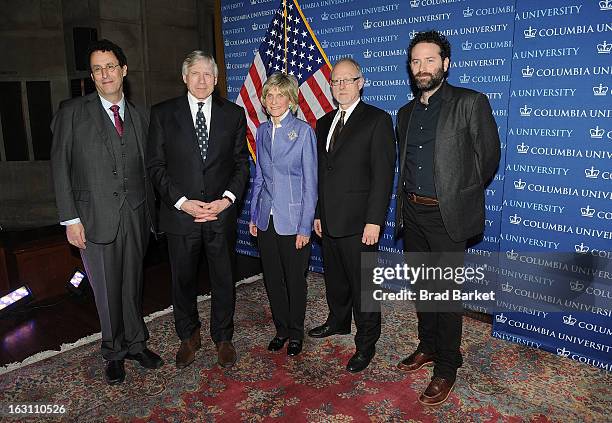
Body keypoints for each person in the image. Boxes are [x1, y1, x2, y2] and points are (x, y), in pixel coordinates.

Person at [394, 30, 501, 406]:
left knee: (446, 294)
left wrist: (457, 194)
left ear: (446, 63)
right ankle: (426, 346)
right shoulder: (405, 113)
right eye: (416, 61)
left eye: (429, 60)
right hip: (413, 213)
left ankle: (447, 366)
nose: (422, 68)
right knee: (423, 289)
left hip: (447, 215)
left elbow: (488, 159)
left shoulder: (470, 102)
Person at [50, 39, 163, 385]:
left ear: (124, 70)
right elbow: (59, 167)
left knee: (132, 283)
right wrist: (70, 219)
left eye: (111, 66)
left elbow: (151, 168)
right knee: (105, 290)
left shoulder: (143, 116)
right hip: (93, 217)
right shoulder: (72, 112)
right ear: (92, 75)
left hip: (136, 214)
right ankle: (113, 351)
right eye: (97, 68)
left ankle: (136, 344)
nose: (105, 74)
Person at [147, 51, 249, 369]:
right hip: (181, 217)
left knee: (223, 278)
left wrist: (226, 200)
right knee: (183, 280)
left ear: (216, 79)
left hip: (220, 214)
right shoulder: (163, 114)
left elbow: (241, 165)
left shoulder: (233, 114)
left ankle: (223, 336)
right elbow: (156, 165)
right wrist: (183, 203)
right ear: (184, 77)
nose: (202, 80)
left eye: (208, 74)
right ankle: (188, 336)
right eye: (195, 73)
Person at [309, 58, 396, 372]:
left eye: (348, 80)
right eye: (336, 81)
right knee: (336, 281)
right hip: (329, 219)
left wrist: (375, 220)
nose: (341, 86)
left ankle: (366, 343)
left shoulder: (377, 120)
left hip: (361, 223)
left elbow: (383, 176)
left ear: (361, 82)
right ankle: (338, 321)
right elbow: (322, 174)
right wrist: (318, 213)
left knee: (365, 289)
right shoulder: (323, 122)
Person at [248, 73, 317, 357]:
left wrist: (305, 227)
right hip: (267, 218)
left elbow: (310, 185)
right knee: (273, 278)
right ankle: (281, 329)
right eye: (269, 96)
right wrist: (254, 215)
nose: (274, 101)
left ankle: (296, 332)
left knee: (294, 279)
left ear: (291, 100)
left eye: (280, 95)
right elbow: (260, 178)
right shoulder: (262, 131)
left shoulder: (303, 132)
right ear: (263, 101)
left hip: (293, 220)